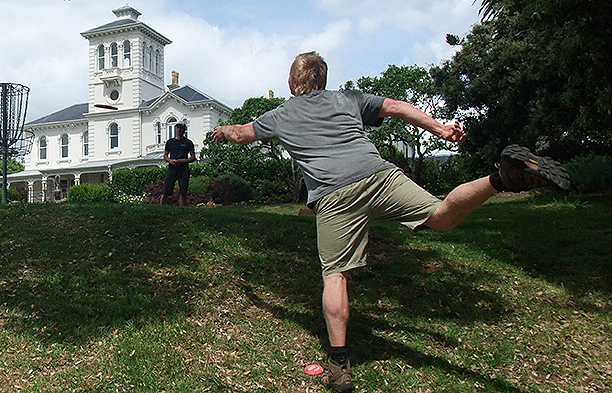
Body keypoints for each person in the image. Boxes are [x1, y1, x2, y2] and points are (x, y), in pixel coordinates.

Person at [211, 51, 569, 392]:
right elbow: (395, 107)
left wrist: (224, 130)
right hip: (379, 175)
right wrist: (441, 129)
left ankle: (338, 366)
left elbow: (242, 133)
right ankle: (503, 179)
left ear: (292, 82)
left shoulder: (281, 114)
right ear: (323, 79)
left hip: (335, 195)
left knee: (335, 274)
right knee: (441, 217)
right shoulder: (347, 99)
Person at [161, 123, 196, 206]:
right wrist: (170, 160)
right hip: (172, 168)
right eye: (177, 128)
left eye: (181, 128)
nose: (179, 130)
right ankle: (161, 209)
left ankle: (182, 210)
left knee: (183, 192)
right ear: (175, 129)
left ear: (184, 130)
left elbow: (193, 157)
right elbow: (165, 155)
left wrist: (183, 160)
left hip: (183, 169)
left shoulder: (188, 143)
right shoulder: (170, 142)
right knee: (166, 190)